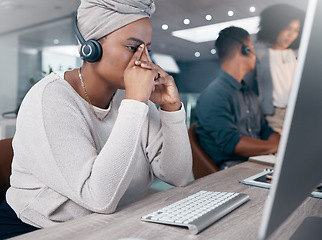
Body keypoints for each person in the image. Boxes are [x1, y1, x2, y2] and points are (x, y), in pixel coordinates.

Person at [0, 0, 192, 238]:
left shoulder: (130, 96)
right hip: (38, 229)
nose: (146, 62)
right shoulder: (50, 97)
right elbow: (99, 198)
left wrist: (171, 109)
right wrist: (134, 104)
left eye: (148, 49)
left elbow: (178, 176)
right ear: (91, 49)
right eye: (133, 48)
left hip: (111, 225)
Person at [195, 26, 280, 170]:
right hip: (234, 169)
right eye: (252, 48)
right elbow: (232, 143)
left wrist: (281, 144)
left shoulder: (249, 94)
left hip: (257, 163)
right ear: (244, 49)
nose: (255, 55)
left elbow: (264, 130)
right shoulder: (213, 96)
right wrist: (276, 146)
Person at [245, 4, 305, 134]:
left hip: (295, 114)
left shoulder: (297, 54)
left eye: (296, 30)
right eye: (287, 28)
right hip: (272, 115)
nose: (291, 35)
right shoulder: (259, 54)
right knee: (274, 150)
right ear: (275, 27)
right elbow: (245, 87)